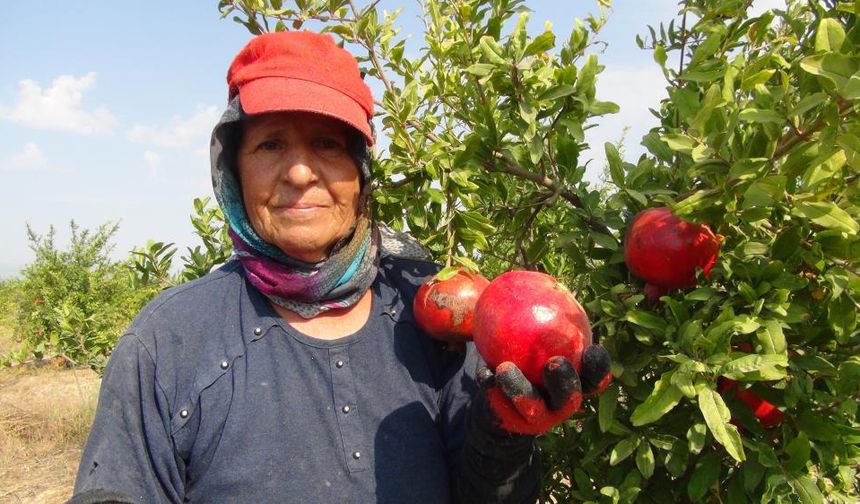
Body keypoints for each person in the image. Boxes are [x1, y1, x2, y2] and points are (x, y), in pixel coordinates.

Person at [70, 31, 611, 503]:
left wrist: (504, 442)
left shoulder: (436, 315)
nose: (300, 172)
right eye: (270, 144)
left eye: (327, 143)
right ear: (233, 171)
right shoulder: (170, 341)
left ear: (361, 171)